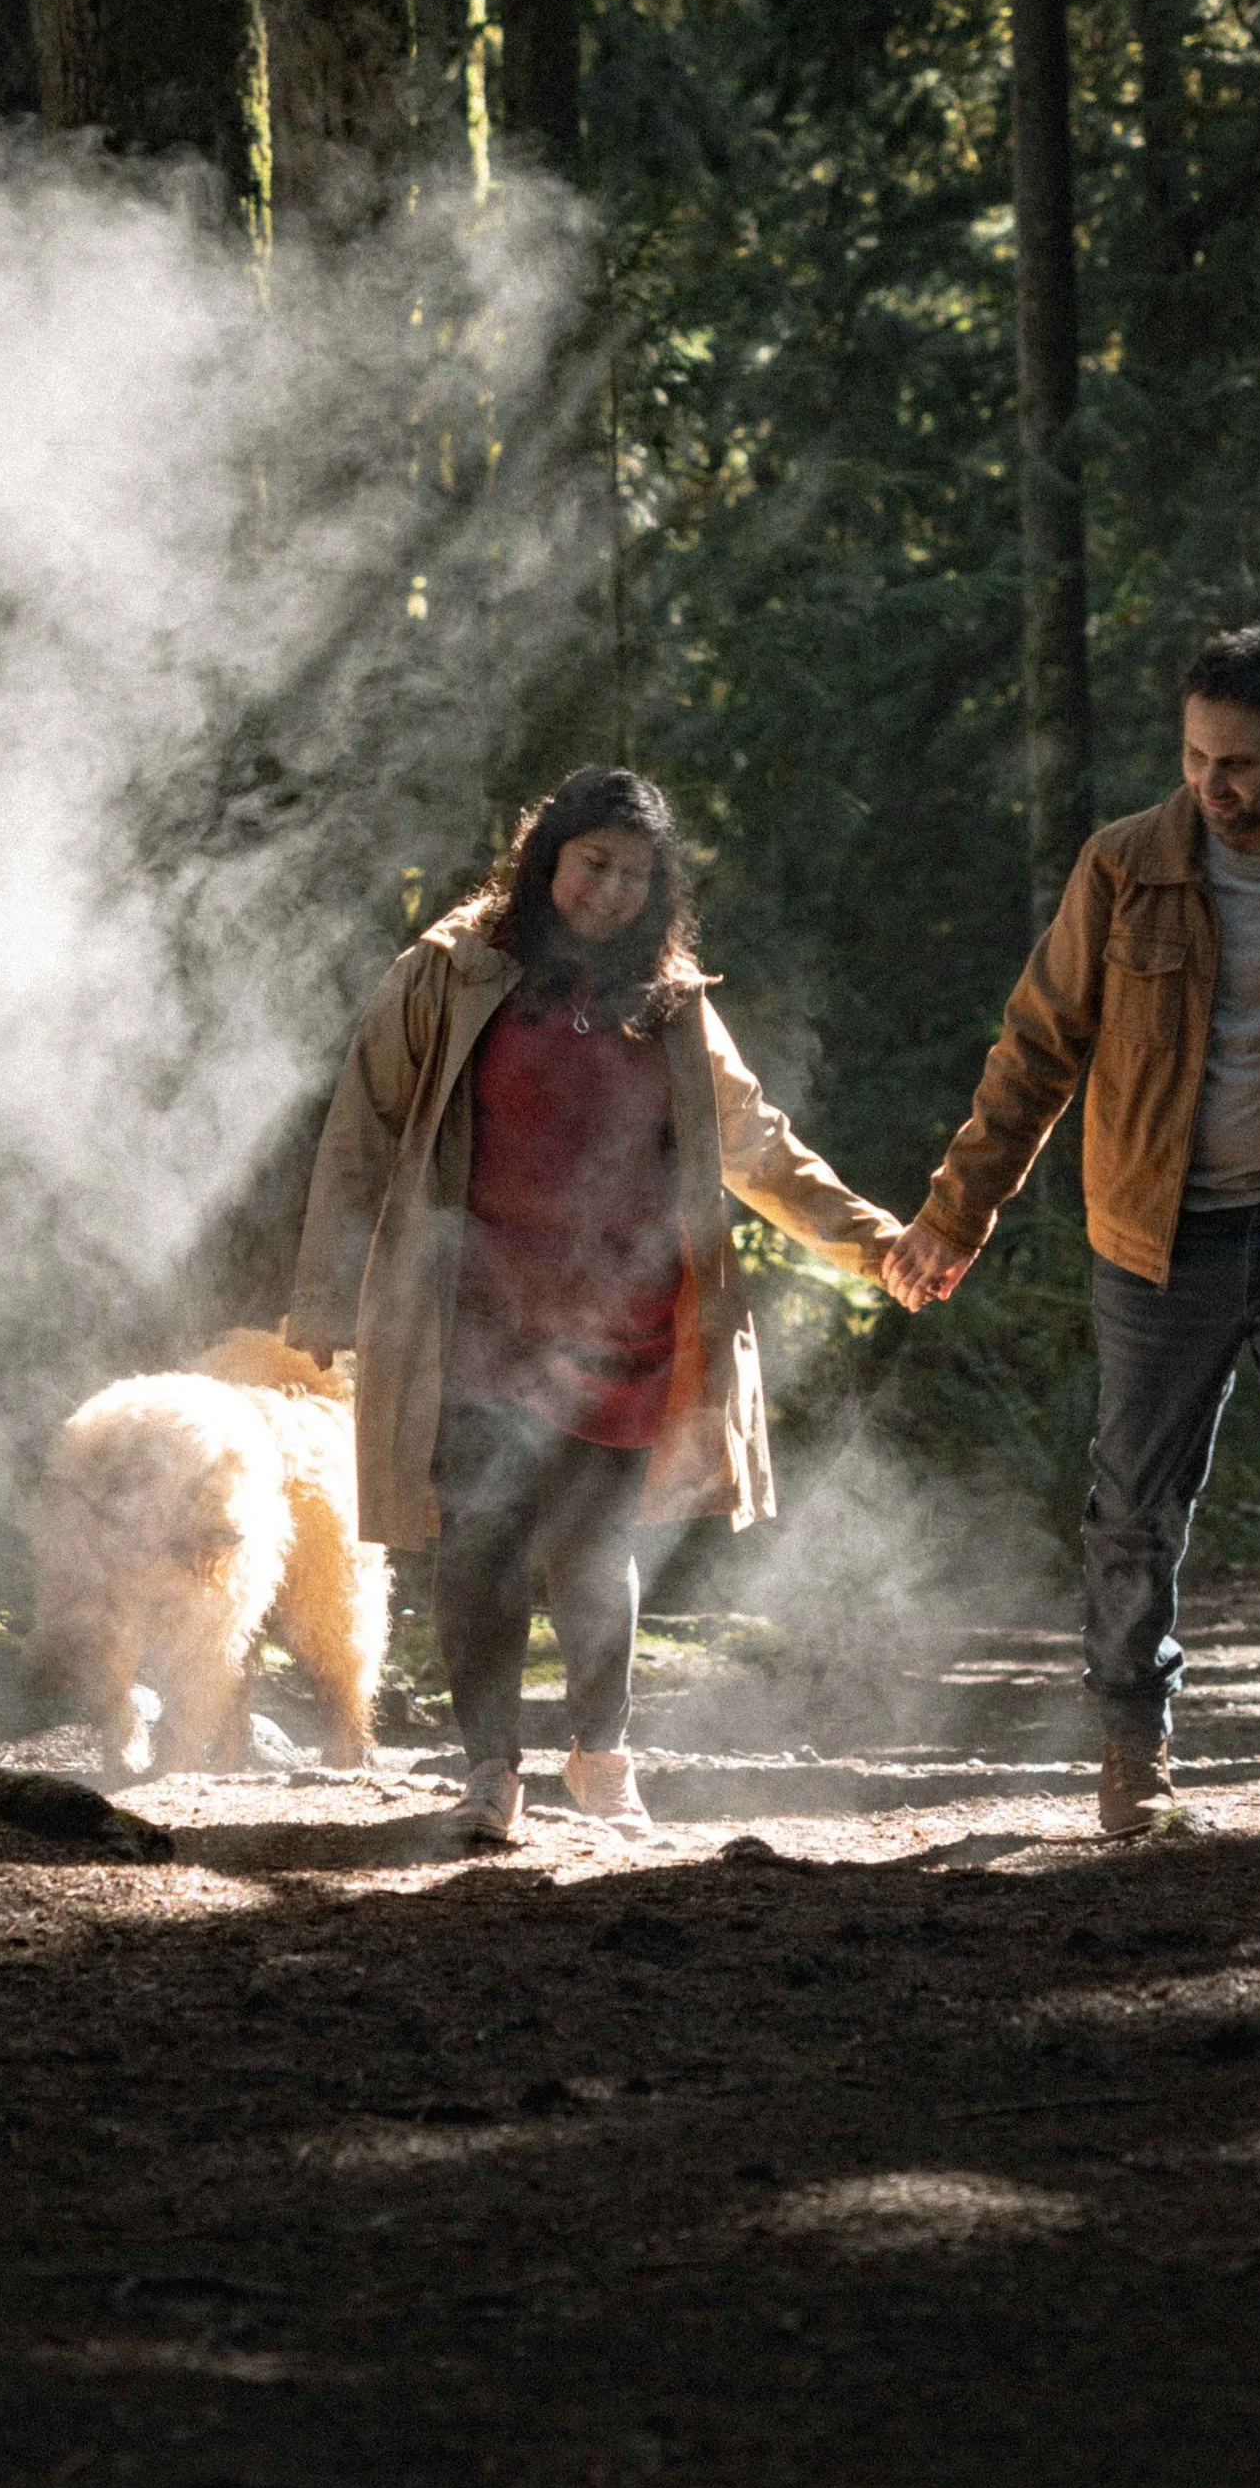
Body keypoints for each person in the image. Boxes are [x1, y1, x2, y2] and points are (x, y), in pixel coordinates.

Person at [883, 625, 1260, 1846]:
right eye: (1197, 756)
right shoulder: (1122, 867)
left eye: (1241, 762)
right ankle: (1132, 1750)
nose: (1214, 783)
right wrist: (955, 1212)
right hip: (1157, 1242)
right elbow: (1036, 1048)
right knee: (1135, 1501)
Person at [290, 765, 903, 1846]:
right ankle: (490, 1772)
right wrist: (329, 1295)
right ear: (546, 858)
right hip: (473, 1313)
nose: (613, 890)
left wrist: (876, 1242)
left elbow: (756, 1139)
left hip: (623, 1321)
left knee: (595, 1547)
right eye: (595, 864)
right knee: (479, 1536)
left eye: (637, 874)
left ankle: (602, 1756)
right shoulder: (450, 971)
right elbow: (362, 1128)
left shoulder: (670, 1007)